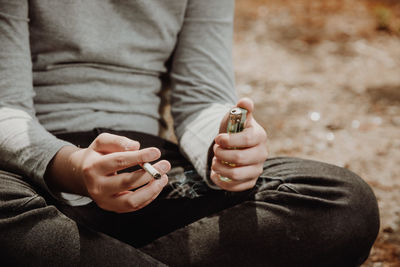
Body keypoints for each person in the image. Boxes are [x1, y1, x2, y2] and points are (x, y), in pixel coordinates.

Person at [0, 1, 379, 266]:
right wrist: (74, 167)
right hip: (38, 178)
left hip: (154, 178)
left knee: (343, 202)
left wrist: (222, 150)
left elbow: (201, 98)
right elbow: (6, 108)